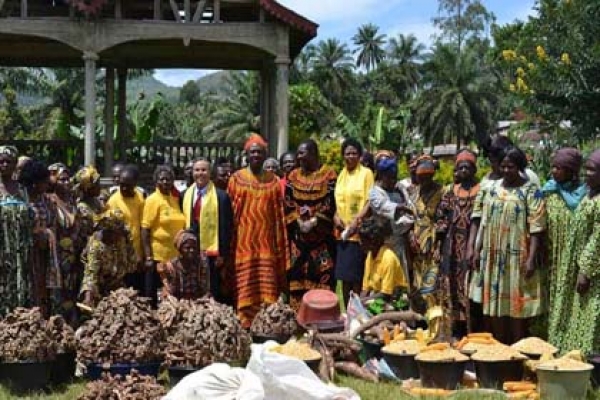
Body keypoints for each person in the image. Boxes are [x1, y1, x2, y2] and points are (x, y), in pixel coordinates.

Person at [475, 146, 545, 344]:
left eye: (511, 167)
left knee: (517, 303)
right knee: (495, 303)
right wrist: (476, 248)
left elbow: (537, 228)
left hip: (518, 255)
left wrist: (531, 258)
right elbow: (480, 219)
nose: (506, 171)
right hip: (493, 254)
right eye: (503, 166)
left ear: (520, 167)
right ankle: (499, 348)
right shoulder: (490, 188)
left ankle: (518, 348)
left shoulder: (531, 191)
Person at [227, 134, 288, 327]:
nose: (255, 155)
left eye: (259, 152)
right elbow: (231, 212)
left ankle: (267, 323)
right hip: (243, 243)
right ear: (246, 154)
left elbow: (278, 215)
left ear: (265, 155)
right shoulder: (236, 180)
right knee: (245, 286)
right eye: (252, 152)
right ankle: (245, 323)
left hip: (266, 245)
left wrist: (279, 244)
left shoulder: (273, 182)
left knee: (267, 287)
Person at [284, 139, 337, 308]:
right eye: (298, 153)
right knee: (297, 278)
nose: (299, 157)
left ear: (313, 154)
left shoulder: (329, 175)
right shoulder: (293, 176)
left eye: (302, 153)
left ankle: (321, 317)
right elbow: (288, 202)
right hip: (298, 240)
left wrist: (314, 221)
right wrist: (298, 221)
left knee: (323, 278)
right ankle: (297, 318)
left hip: (321, 241)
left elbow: (331, 203)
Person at [435, 149, 481, 337]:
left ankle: (473, 329)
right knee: (450, 286)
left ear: (474, 169)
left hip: (471, 245)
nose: (463, 170)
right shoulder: (450, 191)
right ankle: (455, 328)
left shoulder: (480, 191)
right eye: (460, 167)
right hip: (451, 247)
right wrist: (438, 245)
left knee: (469, 286)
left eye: (467, 167)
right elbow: (441, 218)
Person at [544, 149, 587, 348]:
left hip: (572, 255)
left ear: (572, 171)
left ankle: (570, 342)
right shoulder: (550, 187)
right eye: (553, 166)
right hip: (552, 253)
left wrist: (559, 191)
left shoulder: (583, 190)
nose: (554, 171)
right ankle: (552, 338)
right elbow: (537, 197)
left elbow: (575, 204)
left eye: (559, 168)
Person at [560, 150, 600, 356]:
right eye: (586, 169)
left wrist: (585, 271)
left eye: (592, 170)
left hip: (593, 272)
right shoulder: (589, 194)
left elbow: (598, 240)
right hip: (579, 266)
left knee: (592, 316)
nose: (586, 174)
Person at [181, 158, 233, 304]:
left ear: (210, 173)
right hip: (191, 250)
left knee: (212, 288)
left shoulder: (221, 197)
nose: (200, 173)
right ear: (192, 173)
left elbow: (226, 226)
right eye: (197, 170)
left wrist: (222, 253)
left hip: (212, 251)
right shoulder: (185, 195)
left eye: (204, 170)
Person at [334, 138, 374, 307]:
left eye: (354, 153)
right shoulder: (341, 175)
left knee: (356, 277)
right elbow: (337, 201)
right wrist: (336, 217)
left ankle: (357, 313)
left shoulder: (366, 173)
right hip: (342, 234)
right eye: (347, 153)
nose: (350, 156)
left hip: (358, 234)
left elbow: (369, 202)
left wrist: (356, 222)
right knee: (344, 278)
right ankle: (347, 312)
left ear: (359, 155)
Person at [20, 160, 61, 317]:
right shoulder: (23, 201)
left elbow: (53, 223)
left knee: (45, 287)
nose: (47, 185)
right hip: (29, 252)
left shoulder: (47, 200)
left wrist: (48, 234)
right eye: (44, 182)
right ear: (34, 183)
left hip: (46, 254)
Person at [141, 165, 186, 306]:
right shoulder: (152, 200)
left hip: (174, 257)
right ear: (156, 181)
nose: (166, 182)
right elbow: (145, 229)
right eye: (162, 179)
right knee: (152, 295)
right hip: (157, 256)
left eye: (169, 179)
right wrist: (148, 256)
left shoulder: (174, 199)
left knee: (172, 293)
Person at [368, 154, 413, 284]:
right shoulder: (375, 193)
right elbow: (384, 207)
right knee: (384, 282)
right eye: (389, 178)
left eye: (395, 178)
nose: (393, 181)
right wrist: (402, 208)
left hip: (400, 243)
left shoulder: (399, 190)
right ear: (382, 176)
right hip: (384, 245)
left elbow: (409, 206)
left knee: (401, 281)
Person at [408, 156, 444, 319]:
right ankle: (419, 322)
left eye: (428, 175)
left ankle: (434, 323)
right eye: (421, 176)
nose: (424, 179)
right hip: (416, 247)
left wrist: (438, 246)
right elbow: (409, 218)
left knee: (431, 288)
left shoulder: (442, 192)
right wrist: (410, 235)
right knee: (416, 287)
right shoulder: (413, 193)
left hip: (433, 246)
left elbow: (443, 222)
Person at [80, 210, 138, 306]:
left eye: (121, 232)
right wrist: (88, 297)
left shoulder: (123, 240)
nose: (119, 236)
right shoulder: (96, 246)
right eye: (116, 233)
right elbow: (90, 274)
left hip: (119, 286)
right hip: (99, 287)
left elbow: (131, 265)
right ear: (108, 232)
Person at [0, 146, 33, 316]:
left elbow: (31, 217)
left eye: (9, 162)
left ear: (15, 165)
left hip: (21, 252)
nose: (4, 165)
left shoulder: (22, 190)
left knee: (21, 285)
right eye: (1, 161)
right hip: (2, 251)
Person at [48, 165, 82, 325]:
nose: (66, 182)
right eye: (62, 179)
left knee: (72, 289)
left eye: (68, 179)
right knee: (59, 290)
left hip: (73, 253)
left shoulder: (72, 200)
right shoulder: (50, 201)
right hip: (57, 254)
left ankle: (72, 325)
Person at [107, 164, 145, 292]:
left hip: (138, 254)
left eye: (127, 185)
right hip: (121, 255)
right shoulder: (113, 201)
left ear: (135, 184)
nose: (123, 188)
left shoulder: (140, 197)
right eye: (121, 184)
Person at [360, 217, 408, 301]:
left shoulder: (389, 258)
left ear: (374, 242)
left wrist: (364, 301)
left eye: (364, 241)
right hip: (377, 296)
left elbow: (386, 294)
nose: (361, 244)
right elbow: (365, 288)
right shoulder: (370, 256)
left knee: (378, 314)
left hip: (395, 299)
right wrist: (358, 301)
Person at [157, 230, 210, 300]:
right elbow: (169, 289)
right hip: (177, 301)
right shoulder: (171, 266)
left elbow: (205, 289)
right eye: (187, 248)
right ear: (180, 249)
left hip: (197, 300)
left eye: (194, 247)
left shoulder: (201, 265)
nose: (192, 250)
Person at [73, 165, 106, 240]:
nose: (99, 187)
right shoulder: (82, 208)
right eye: (96, 184)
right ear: (87, 188)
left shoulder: (97, 202)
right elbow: (86, 235)